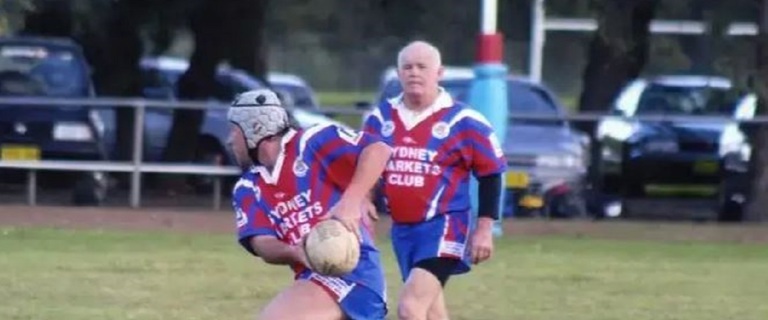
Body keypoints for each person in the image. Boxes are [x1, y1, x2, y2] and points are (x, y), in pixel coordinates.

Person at [362, 41, 507, 320]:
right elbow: (365, 163)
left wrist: (485, 229)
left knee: (410, 307)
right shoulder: (380, 118)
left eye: (422, 67)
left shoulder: (464, 121)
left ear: (439, 73)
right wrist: (365, 198)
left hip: (445, 225)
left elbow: (491, 174)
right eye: (408, 67)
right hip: (403, 228)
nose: (414, 73)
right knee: (431, 311)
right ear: (398, 73)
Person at [228, 88, 391, 320]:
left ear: (255, 129)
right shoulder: (247, 187)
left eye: (235, 131)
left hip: (356, 275)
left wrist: (351, 201)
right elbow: (261, 243)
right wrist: (294, 252)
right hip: (312, 276)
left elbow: (378, 149)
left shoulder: (312, 142)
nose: (230, 140)